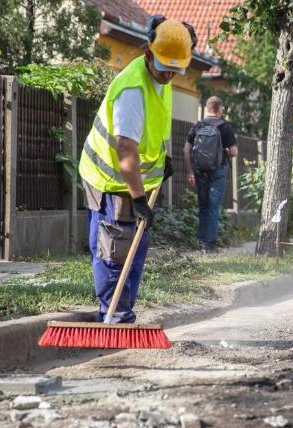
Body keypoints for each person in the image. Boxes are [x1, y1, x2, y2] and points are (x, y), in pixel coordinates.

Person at [78, 15, 195, 323]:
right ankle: (113, 314)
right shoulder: (132, 90)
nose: (170, 76)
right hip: (108, 178)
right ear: (147, 54)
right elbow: (126, 148)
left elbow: (157, 124)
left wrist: (163, 157)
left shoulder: (162, 75)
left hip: (134, 178)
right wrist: (139, 199)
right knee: (115, 244)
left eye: (176, 70)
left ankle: (123, 310)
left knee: (136, 243)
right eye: (165, 68)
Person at [183, 96, 238, 253]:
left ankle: (201, 240)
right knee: (213, 207)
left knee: (203, 205)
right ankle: (209, 245)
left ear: (207, 108)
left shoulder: (198, 125)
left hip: (200, 170)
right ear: (220, 109)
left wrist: (190, 172)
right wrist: (223, 151)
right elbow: (234, 152)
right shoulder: (225, 127)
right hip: (218, 171)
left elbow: (186, 150)